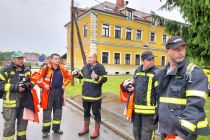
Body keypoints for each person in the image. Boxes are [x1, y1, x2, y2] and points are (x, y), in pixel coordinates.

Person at [158, 36, 210, 140]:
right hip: (166, 129)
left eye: (182, 48)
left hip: (183, 133)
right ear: (167, 51)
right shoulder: (162, 73)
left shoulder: (194, 73)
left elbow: (195, 107)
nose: (181, 52)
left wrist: (182, 135)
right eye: (176, 49)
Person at [0, 52, 36, 140]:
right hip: (10, 104)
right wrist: (16, 87)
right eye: (18, 58)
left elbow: (33, 81)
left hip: (24, 103)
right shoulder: (5, 70)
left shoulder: (27, 70)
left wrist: (29, 85)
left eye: (22, 58)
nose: (21, 60)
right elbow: (1, 85)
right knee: (9, 128)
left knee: (22, 127)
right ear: (13, 59)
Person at [72, 52, 107, 139]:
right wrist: (76, 74)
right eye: (88, 57)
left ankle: (96, 131)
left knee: (96, 113)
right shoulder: (86, 67)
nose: (89, 59)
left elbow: (105, 79)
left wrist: (97, 77)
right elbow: (81, 76)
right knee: (86, 113)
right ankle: (86, 128)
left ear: (95, 58)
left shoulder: (100, 67)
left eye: (90, 57)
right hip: (85, 96)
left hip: (96, 97)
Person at [35, 53, 71, 138]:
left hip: (59, 92)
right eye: (55, 58)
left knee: (58, 111)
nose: (57, 60)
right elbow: (37, 78)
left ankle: (56, 128)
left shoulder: (62, 68)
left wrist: (64, 84)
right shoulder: (45, 68)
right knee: (47, 112)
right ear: (51, 60)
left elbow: (69, 77)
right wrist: (44, 85)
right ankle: (45, 131)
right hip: (48, 93)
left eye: (58, 58)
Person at [131, 51, 159, 140]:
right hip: (136, 110)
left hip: (150, 112)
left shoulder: (157, 73)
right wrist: (130, 87)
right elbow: (135, 85)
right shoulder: (137, 70)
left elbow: (160, 92)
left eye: (153, 59)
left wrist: (158, 111)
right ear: (142, 61)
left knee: (147, 135)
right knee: (136, 132)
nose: (152, 61)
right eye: (149, 59)